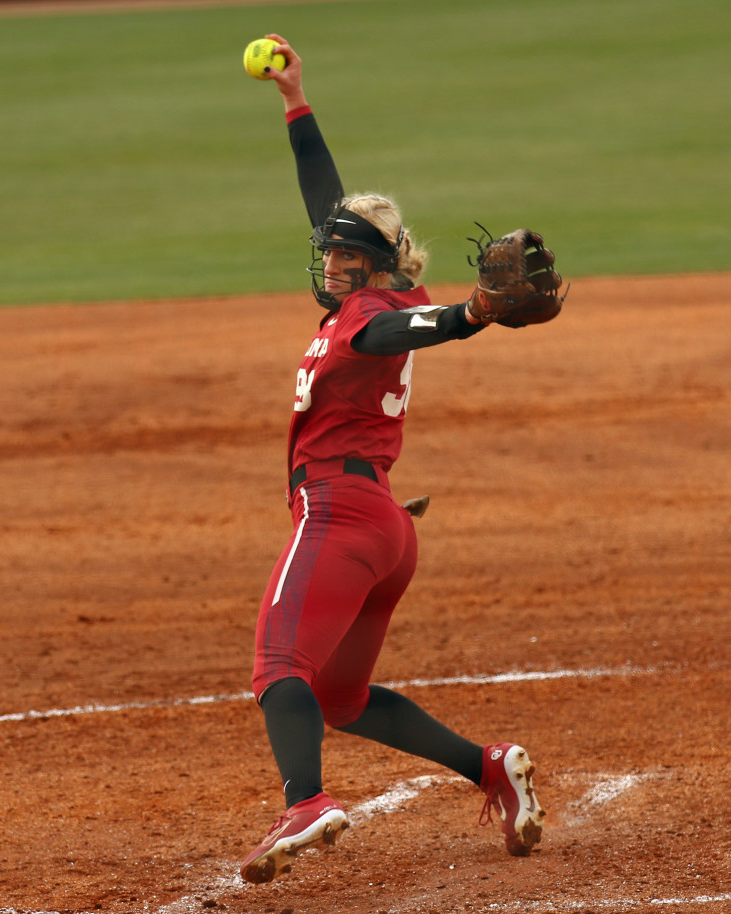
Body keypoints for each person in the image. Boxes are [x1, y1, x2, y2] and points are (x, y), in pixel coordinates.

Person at [239, 34, 547, 886]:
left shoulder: (374, 315)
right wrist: (295, 101)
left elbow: (413, 327)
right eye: (329, 254)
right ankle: (491, 769)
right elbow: (325, 199)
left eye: (344, 257)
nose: (329, 264)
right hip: (381, 528)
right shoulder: (367, 294)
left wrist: (474, 312)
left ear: (371, 267)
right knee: (338, 698)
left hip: (340, 518)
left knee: (278, 668)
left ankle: (305, 802)